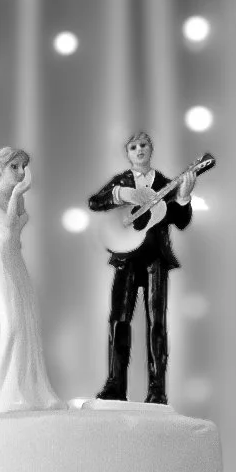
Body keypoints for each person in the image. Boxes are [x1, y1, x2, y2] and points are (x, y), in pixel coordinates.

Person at [87, 131, 197, 404]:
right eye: (133, 147)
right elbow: (94, 202)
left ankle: (157, 388)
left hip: (154, 258)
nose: (139, 150)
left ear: (151, 149)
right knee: (118, 320)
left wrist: (183, 198)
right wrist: (120, 193)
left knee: (156, 322)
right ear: (127, 153)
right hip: (126, 257)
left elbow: (181, 221)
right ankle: (115, 385)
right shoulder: (122, 181)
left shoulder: (163, 183)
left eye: (143, 145)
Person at [0, 146, 65, 417]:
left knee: (26, 324)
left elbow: (17, 226)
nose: (21, 172)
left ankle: (24, 391)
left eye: (23, 166)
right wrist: (15, 193)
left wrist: (17, 197)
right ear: (1, 168)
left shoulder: (18, 199)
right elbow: (10, 225)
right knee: (10, 325)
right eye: (15, 166)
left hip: (16, 261)